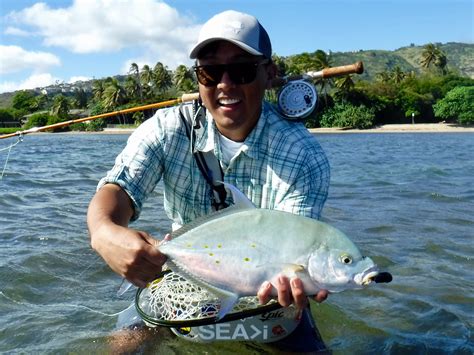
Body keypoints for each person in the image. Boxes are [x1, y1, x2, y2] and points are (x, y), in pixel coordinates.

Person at [87, 9, 330, 352]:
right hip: (184, 277)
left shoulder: (303, 155)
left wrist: (299, 281)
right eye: (211, 71)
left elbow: (299, 245)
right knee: (126, 345)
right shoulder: (166, 129)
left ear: (269, 74)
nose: (225, 84)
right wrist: (103, 232)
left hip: (271, 297)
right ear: (199, 78)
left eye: (242, 70)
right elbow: (117, 190)